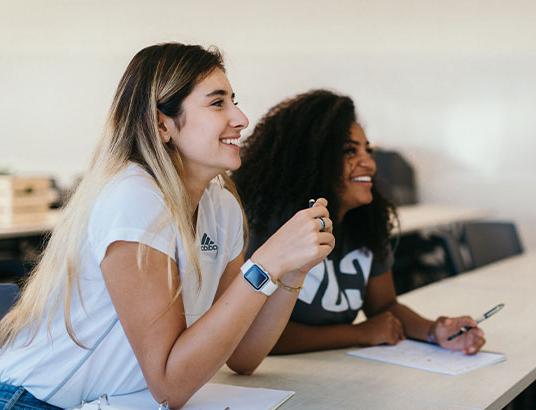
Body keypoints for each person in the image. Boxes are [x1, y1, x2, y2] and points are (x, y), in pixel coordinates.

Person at [0, 44, 335, 409]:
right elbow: (169, 385)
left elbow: (243, 355)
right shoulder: (134, 198)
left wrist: (290, 270)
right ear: (162, 124)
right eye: (217, 103)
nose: (241, 118)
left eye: (233, 101)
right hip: (28, 401)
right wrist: (266, 263)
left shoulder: (220, 205)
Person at [233, 89, 486, 355]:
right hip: (278, 381)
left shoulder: (367, 221)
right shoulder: (266, 224)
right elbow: (255, 336)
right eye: (350, 152)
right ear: (312, 159)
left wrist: (435, 331)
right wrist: (358, 333)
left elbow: (383, 307)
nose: (368, 163)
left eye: (367, 150)